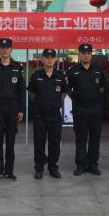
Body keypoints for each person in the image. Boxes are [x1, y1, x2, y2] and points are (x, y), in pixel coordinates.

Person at [0, 38, 25, 182]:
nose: (5, 50)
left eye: (7, 47)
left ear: (11, 49)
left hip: (13, 107)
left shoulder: (17, 67)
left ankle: (9, 171)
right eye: (2, 47)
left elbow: (21, 90)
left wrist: (21, 109)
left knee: (10, 141)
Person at [67, 44, 108, 176]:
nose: (86, 55)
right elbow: (67, 88)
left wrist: (97, 94)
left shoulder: (98, 70)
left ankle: (93, 164)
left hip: (95, 109)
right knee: (81, 138)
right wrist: (75, 97)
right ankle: (81, 164)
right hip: (80, 109)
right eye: (83, 53)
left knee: (95, 138)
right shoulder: (73, 71)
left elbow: (104, 86)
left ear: (91, 54)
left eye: (88, 53)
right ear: (80, 54)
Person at [28, 49, 69, 179]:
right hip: (40, 115)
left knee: (55, 141)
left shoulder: (60, 76)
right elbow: (31, 92)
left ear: (56, 59)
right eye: (47, 57)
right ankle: (39, 168)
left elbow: (64, 92)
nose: (49, 59)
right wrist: (40, 103)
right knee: (39, 142)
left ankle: (53, 167)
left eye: (52, 57)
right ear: (42, 59)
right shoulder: (36, 75)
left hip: (54, 114)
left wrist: (56, 102)